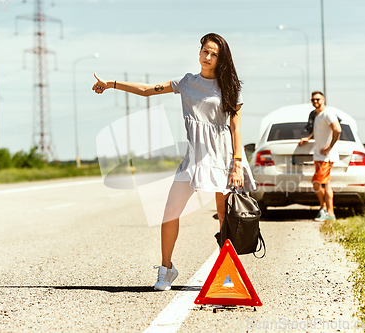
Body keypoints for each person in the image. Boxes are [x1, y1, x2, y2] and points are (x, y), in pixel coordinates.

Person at [92, 33, 256, 291]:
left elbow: (236, 128)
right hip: (194, 157)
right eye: (205, 51)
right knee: (170, 212)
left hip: (223, 157)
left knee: (226, 216)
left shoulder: (229, 87)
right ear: (199, 52)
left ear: (220, 59)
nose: (208, 57)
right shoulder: (187, 82)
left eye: (214, 54)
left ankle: (229, 273)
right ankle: (166, 269)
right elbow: (147, 90)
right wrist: (111, 83)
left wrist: (237, 162)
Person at [299, 91, 341, 221]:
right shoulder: (318, 115)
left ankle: (328, 211)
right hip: (319, 156)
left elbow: (337, 129)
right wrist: (308, 138)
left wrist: (330, 147)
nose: (315, 102)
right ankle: (327, 211)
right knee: (323, 184)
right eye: (313, 100)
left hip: (326, 156)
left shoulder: (327, 113)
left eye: (317, 99)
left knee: (319, 183)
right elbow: (319, 131)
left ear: (323, 99)